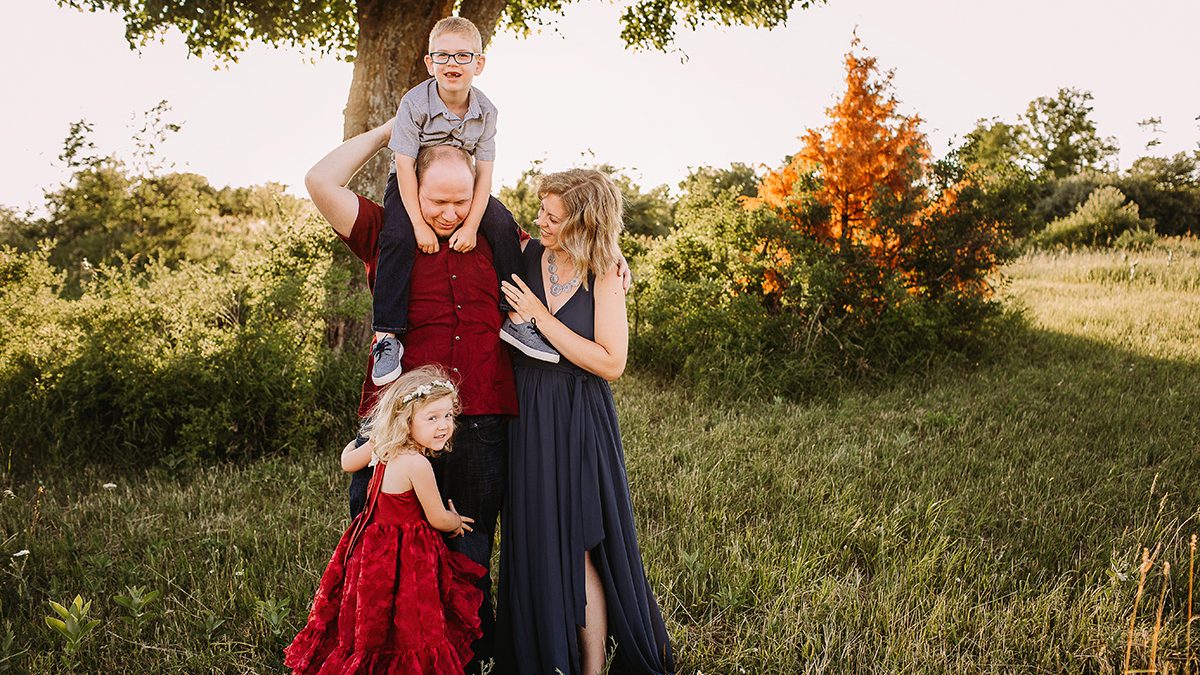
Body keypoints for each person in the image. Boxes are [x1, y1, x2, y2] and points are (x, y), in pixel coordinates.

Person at [305, 120, 518, 673]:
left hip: (480, 418)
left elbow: (565, 255)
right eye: (436, 200)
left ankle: (464, 662)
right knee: (386, 552)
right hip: (398, 424)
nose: (448, 213)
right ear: (410, 188)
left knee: (468, 551)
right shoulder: (385, 232)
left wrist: (611, 262)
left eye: (461, 200)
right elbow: (319, 180)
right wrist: (386, 135)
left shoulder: (494, 235)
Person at [496, 169, 675, 674]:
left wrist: (540, 318)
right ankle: (544, 655)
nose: (542, 221)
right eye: (542, 212)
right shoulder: (530, 254)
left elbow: (611, 363)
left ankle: (592, 668)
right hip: (529, 413)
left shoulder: (605, 272)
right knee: (535, 537)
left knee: (579, 540)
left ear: (584, 222)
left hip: (578, 415)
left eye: (554, 217)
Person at [372, 15, 558, 387]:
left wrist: (472, 223)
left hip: (465, 185)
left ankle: (515, 318)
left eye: (462, 56)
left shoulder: (486, 111)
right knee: (396, 236)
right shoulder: (414, 103)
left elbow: (485, 173)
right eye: (442, 56)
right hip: (413, 184)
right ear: (430, 63)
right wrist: (419, 224)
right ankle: (387, 336)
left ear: (479, 63)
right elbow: (405, 168)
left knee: (503, 226)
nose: (452, 64)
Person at [284, 366, 485, 674]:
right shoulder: (417, 464)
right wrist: (455, 521)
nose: (444, 425)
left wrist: (359, 441)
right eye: (432, 418)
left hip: (370, 550)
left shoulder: (381, 446)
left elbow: (347, 462)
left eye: (448, 416)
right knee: (410, 621)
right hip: (406, 555)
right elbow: (436, 517)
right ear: (406, 422)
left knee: (374, 619)